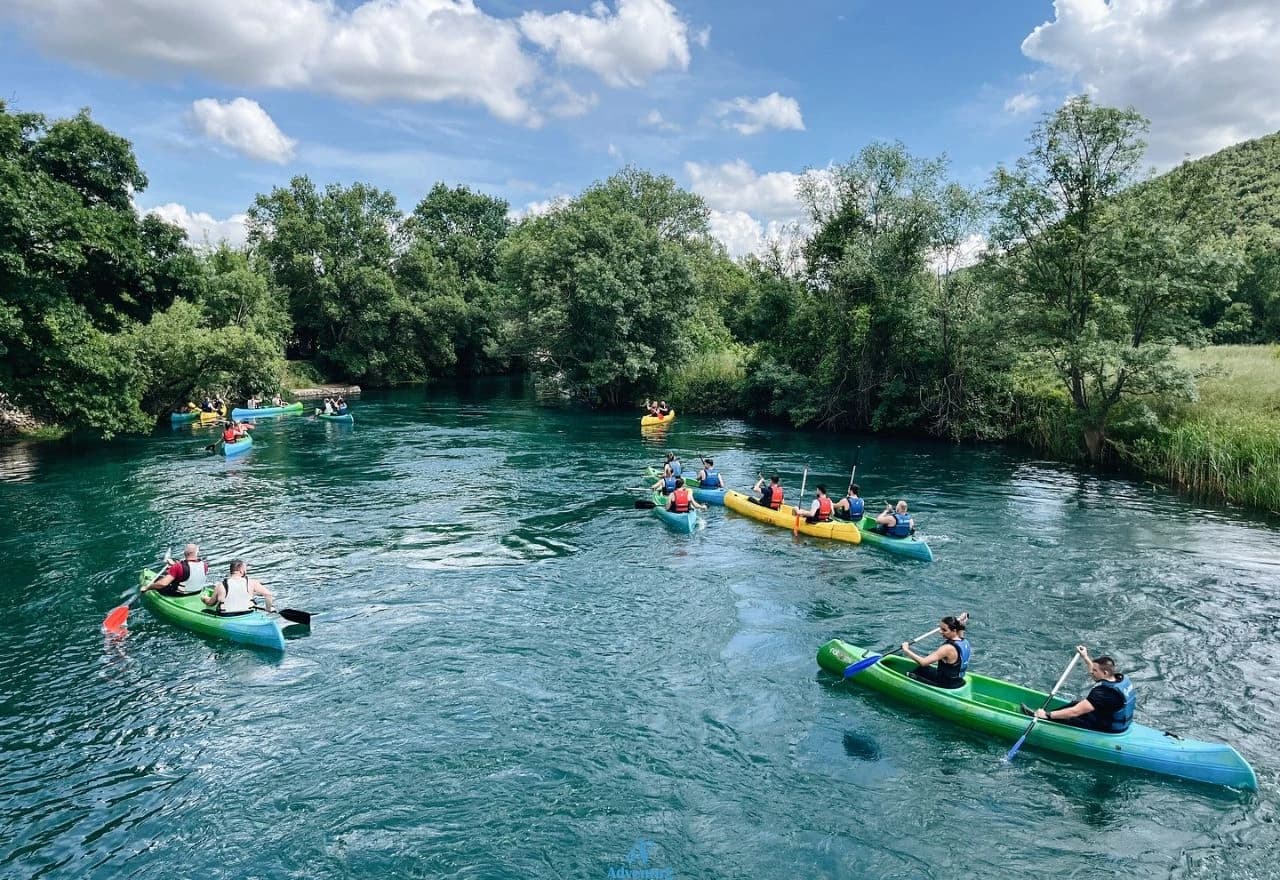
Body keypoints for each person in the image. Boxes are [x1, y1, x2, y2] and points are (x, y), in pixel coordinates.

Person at [1023, 646, 1136, 733]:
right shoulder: (1118, 679)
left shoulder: (1103, 693)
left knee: (1070, 716)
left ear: (1105, 672)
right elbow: (1096, 671)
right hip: (1114, 720)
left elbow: (1075, 712)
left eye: (1095, 670)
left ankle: (1044, 718)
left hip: (1106, 727)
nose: (1091, 672)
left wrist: (1048, 715)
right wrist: (1085, 657)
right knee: (1075, 703)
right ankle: (1046, 716)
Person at [902, 615, 970, 689]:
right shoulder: (964, 641)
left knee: (913, 673)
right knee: (923, 669)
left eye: (944, 630)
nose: (940, 632)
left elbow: (923, 662)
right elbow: (960, 629)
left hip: (946, 684)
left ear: (954, 630)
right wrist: (962, 622)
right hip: (958, 681)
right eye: (940, 628)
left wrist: (906, 650)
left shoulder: (947, 648)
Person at [203, 559, 275, 615]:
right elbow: (268, 594)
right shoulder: (252, 582)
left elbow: (210, 603)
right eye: (245, 569)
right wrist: (268, 608)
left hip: (227, 615)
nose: (246, 571)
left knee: (206, 610)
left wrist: (204, 598)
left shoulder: (220, 585)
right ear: (241, 570)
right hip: (248, 613)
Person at [142, 544, 210, 596]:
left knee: (159, 579)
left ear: (184, 553)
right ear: (197, 553)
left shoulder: (178, 567)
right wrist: (174, 565)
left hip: (180, 594)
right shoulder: (204, 565)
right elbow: (192, 570)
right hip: (197, 591)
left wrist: (148, 587)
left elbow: (163, 584)